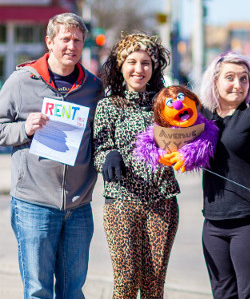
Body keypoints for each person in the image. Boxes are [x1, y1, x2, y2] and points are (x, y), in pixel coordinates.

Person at [0, 13, 104, 299]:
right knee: (37, 291)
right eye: (64, 39)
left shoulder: (93, 87)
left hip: (78, 206)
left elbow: (101, 135)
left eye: (77, 40)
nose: (71, 46)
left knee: (73, 292)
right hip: (33, 205)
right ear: (49, 42)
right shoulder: (22, 81)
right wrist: (23, 129)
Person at [93, 32, 178, 299]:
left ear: (154, 68)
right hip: (121, 202)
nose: (138, 69)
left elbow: (186, 141)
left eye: (145, 63)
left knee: (154, 286)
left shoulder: (166, 106)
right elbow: (98, 149)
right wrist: (108, 155)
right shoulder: (108, 106)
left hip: (162, 202)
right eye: (132, 61)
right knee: (126, 282)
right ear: (120, 65)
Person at [197, 52, 250, 299]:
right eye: (230, 77)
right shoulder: (203, 115)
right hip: (213, 222)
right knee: (223, 295)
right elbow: (168, 136)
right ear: (215, 81)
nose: (238, 84)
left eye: (244, 79)